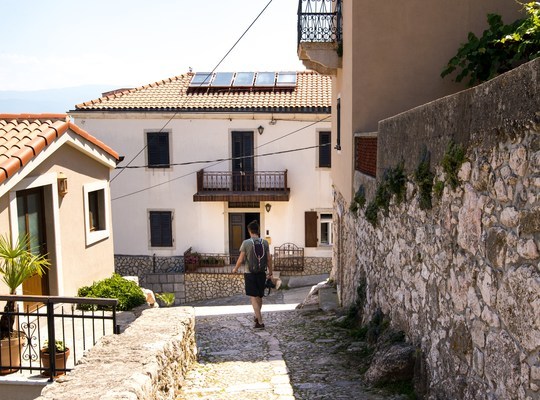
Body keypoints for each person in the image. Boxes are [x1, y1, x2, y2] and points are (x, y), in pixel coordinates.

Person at [232, 221, 272, 329]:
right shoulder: (265, 243)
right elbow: (268, 258)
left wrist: (235, 269)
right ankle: (257, 315)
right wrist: (270, 272)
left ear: (249, 231)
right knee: (259, 295)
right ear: (258, 230)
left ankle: (259, 322)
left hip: (250, 273)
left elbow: (240, 259)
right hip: (261, 273)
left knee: (253, 297)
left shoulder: (246, 243)